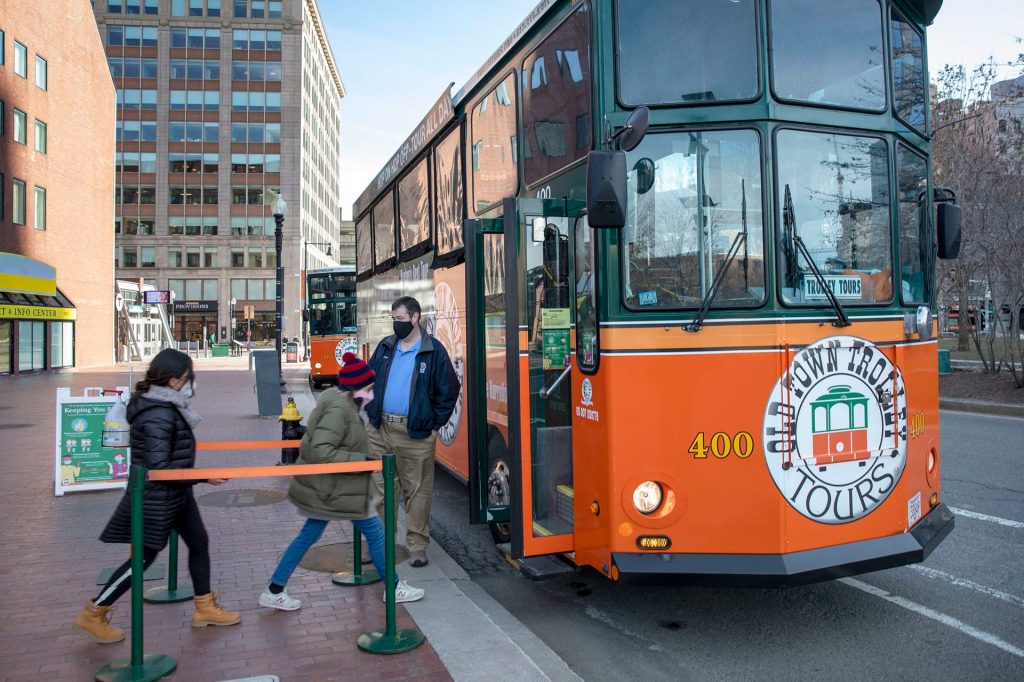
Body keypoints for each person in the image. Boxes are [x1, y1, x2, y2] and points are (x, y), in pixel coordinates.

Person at [74, 349, 240, 644]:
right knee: (143, 559)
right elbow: (158, 465)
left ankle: (204, 607)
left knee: (199, 543)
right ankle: (94, 612)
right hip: (157, 498)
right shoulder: (158, 412)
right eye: (190, 378)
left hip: (176, 493)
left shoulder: (165, 405)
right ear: (174, 380)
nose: (193, 384)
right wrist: (202, 476)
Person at [259, 353, 424, 610]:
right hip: (338, 489)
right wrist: (363, 458)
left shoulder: (340, 402)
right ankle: (393, 588)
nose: (371, 393)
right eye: (368, 388)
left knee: (309, 536)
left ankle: (274, 588)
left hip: (331, 488)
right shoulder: (339, 409)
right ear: (356, 388)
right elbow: (324, 451)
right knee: (376, 535)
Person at [366, 297, 460, 567]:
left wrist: (434, 426)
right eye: (393, 319)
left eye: (400, 319)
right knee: (382, 489)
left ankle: (417, 546)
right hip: (380, 428)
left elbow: (449, 391)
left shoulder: (434, 351)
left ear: (415, 317)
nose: (396, 325)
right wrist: (368, 409)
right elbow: (369, 379)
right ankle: (384, 545)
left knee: (417, 491)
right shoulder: (385, 346)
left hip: (415, 433)